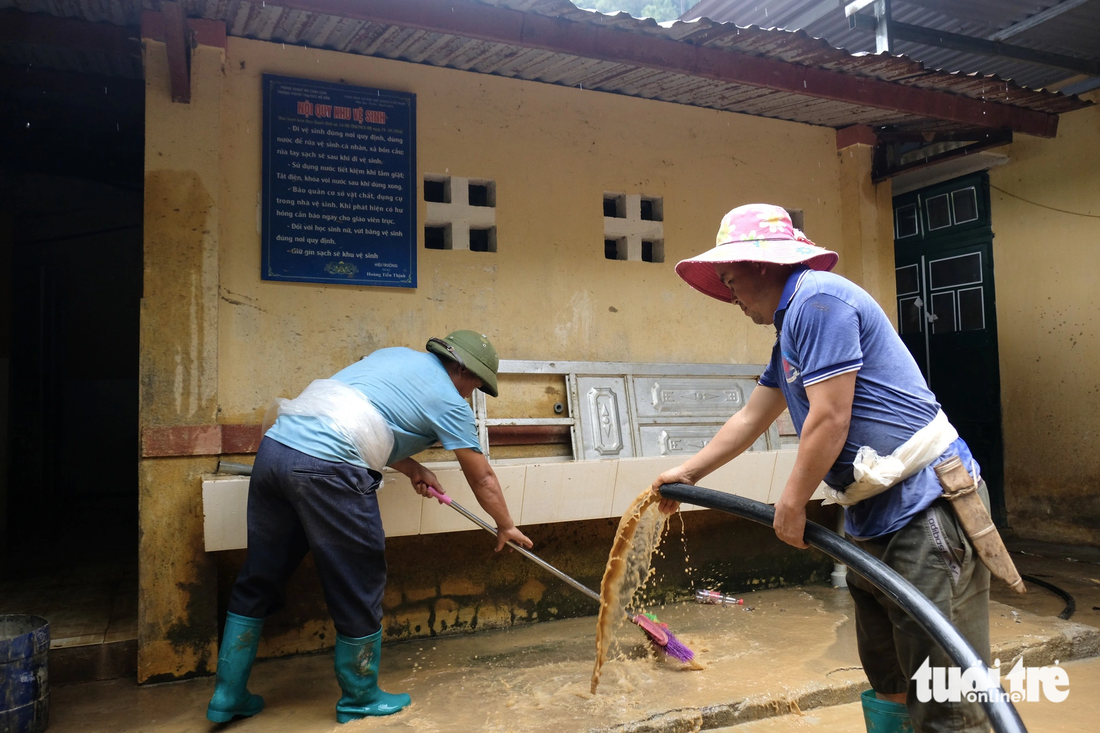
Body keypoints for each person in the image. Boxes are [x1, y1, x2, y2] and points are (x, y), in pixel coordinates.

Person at [650, 204, 991, 733]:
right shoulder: (790, 328)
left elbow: (830, 418)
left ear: (762, 265)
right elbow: (752, 415)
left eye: (731, 279)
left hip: (924, 505)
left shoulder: (819, 301)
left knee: (943, 691)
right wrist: (690, 473)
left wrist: (790, 503)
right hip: (869, 514)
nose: (731, 296)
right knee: (888, 675)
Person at [206, 330, 533, 725]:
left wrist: (412, 467)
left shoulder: (394, 357)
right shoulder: (449, 401)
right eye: (475, 385)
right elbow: (482, 478)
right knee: (359, 577)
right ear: (462, 369)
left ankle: (227, 695)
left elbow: (356, 416)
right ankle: (359, 697)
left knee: (262, 571)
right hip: (328, 468)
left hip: (277, 451)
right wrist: (506, 525)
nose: (470, 395)